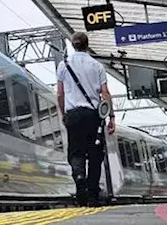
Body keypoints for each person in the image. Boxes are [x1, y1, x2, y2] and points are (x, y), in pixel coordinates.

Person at [56, 32, 115, 207]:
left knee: (76, 152)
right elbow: (105, 94)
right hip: (93, 116)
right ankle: (92, 195)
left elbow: (60, 93)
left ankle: (79, 178)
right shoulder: (96, 65)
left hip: (73, 114)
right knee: (95, 155)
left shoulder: (63, 65)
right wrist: (111, 117)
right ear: (87, 45)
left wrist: (63, 114)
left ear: (73, 45)